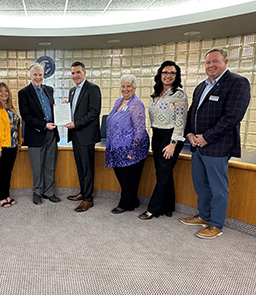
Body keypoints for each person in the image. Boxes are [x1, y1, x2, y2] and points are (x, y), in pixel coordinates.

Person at [180, 48, 250, 239]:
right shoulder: (202, 87)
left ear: (225, 62)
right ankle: (204, 216)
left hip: (217, 146)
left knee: (218, 189)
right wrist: (190, 134)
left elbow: (233, 117)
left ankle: (216, 224)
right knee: (201, 185)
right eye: (208, 62)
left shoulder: (237, 82)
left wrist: (206, 137)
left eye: (215, 61)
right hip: (196, 145)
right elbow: (191, 113)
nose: (211, 65)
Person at [139, 61, 188, 220]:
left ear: (176, 76)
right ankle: (169, 205)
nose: (168, 76)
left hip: (171, 137)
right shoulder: (157, 93)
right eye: (165, 72)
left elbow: (181, 121)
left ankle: (153, 209)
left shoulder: (179, 94)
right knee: (164, 173)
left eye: (172, 73)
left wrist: (173, 144)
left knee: (163, 174)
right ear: (160, 74)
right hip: (157, 135)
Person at [106, 74, 149, 214]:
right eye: (123, 86)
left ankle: (125, 203)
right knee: (122, 175)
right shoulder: (119, 101)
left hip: (131, 147)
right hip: (117, 147)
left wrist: (132, 150)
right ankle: (133, 200)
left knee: (127, 177)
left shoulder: (136, 104)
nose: (125, 89)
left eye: (128, 86)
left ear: (134, 88)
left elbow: (140, 128)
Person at [18, 63, 60, 205]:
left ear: (44, 75)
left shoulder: (49, 90)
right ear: (30, 76)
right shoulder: (23, 93)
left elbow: (52, 110)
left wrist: (61, 109)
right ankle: (37, 192)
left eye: (40, 74)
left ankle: (49, 192)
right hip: (36, 134)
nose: (38, 77)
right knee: (37, 166)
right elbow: (26, 116)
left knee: (50, 165)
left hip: (51, 134)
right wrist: (43, 125)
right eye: (35, 74)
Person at [64, 61, 101, 212]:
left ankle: (88, 199)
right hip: (75, 135)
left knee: (87, 167)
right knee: (80, 167)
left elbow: (94, 112)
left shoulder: (92, 88)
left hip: (86, 135)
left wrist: (76, 124)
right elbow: (75, 110)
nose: (75, 75)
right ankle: (83, 192)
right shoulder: (72, 91)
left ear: (84, 73)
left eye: (78, 72)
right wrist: (65, 107)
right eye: (73, 73)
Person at [0, 82, 22, 208]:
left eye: (6, 91)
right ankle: (1, 197)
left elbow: (15, 128)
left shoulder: (11, 109)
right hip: (0, 147)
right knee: (1, 172)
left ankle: (7, 195)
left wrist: (19, 142)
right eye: (1, 91)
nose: (4, 93)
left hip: (12, 146)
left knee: (8, 172)